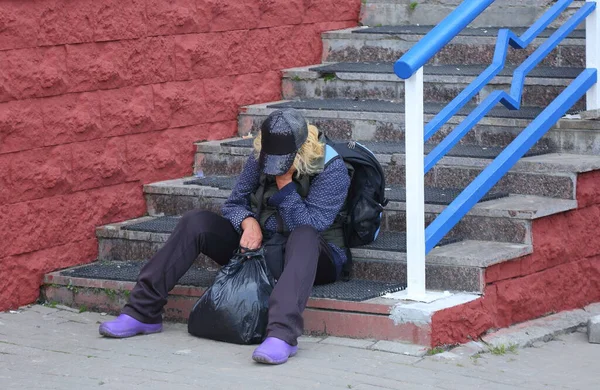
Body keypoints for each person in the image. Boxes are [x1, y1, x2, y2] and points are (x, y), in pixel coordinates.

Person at [98, 109, 351, 365]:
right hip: (261, 247)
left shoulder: (331, 167)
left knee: (305, 235)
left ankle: (282, 334)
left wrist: (285, 183)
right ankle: (142, 311)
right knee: (195, 222)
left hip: (313, 257)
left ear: (300, 151)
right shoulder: (262, 154)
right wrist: (248, 221)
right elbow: (234, 204)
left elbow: (312, 224)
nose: (273, 166)